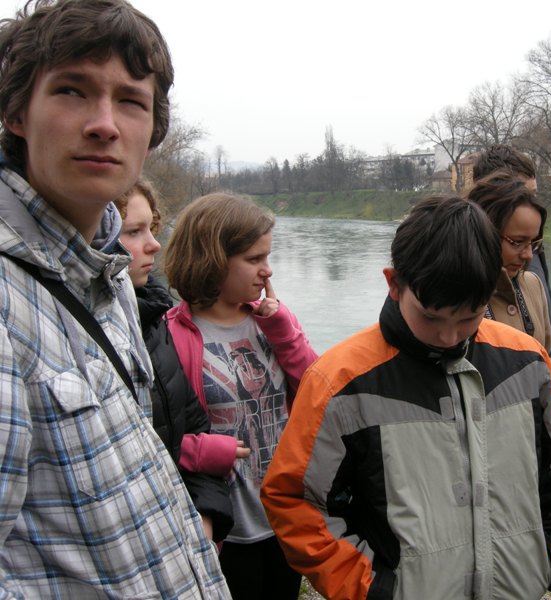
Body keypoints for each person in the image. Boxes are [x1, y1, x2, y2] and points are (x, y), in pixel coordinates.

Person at [0, 0, 229, 597]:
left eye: (131, 101)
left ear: (151, 134)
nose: (105, 123)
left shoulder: (110, 275)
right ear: (15, 112)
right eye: (72, 90)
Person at [261, 195, 551, 600]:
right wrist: (373, 589)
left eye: (469, 316)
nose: (449, 336)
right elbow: (295, 500)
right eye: (431, 317)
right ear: (393, 283)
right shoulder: (339, 382)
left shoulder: (528, 361)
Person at [163, 192, 318, 600]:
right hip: (225, 525)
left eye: (268, 256)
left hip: (283, 516)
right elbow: (159, 435)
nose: (268, 270)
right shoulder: (171, 335)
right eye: (254, 258)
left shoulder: (273, 319)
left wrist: (282, 330)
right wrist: (203, 451)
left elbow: (316, 389)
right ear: (212, 259)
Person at [114, 179, 234, 544]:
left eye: (151, 228)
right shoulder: (164, 324)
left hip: (182, 532)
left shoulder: (154, 323)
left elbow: (191, 429)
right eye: (134, 232)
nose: (154, 244)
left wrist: (207, 514)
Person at [468, 145, 551, 400]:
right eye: (517, 242)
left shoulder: (531, 260)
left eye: (532, 195)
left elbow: (550, 344)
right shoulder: (452, 281)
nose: (528, 254)